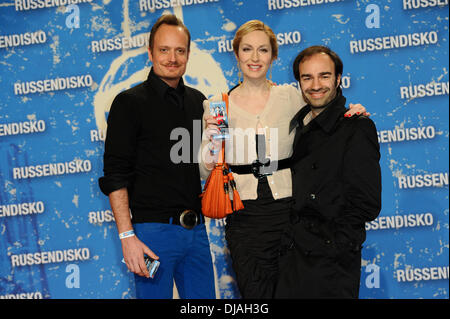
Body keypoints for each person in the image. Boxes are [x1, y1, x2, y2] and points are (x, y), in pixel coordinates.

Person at [199, 21, 366, 299]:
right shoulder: (216, 103)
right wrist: (212, 146)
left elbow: (323, 118)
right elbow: (204, 171)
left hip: (291, 215)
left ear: (274, 55)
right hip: (244, 219)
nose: (255, 58)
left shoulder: (290, 96)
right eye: (247, 49)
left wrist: (350, 112)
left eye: (263, 50)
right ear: (236, 53)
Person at [98, 14, 215, 299]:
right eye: (164, 50)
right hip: (151, 235)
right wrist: (128, 238)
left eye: (180, 50)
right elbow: (115, 174)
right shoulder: (129, 103)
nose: (172, 58)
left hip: (196, 233)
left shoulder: (199, 101)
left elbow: (198, 166)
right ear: (150, 53)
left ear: (188, 53)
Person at [275, 45, 382, 298]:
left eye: (324, 76)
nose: (315, 85)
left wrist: (333, 244)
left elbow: (367, 203)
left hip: (331, 263)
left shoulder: (356, 126)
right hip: (295, 257)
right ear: (299, 83)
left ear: (338, 79)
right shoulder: (299, 125)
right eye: (307, 77)